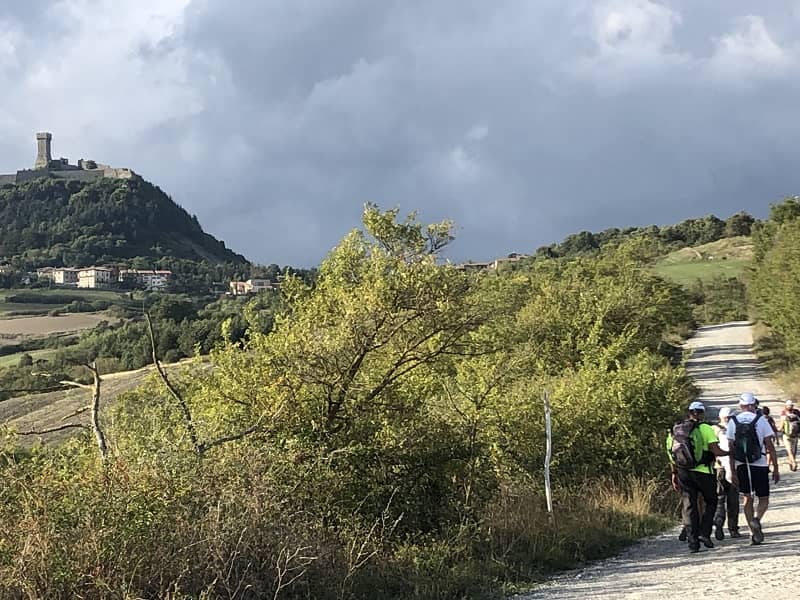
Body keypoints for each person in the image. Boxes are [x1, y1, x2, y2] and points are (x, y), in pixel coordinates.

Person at [667, 401, 727, 553]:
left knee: (689, 505)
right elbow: (716, 451)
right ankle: (704, 533)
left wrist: (674, 474)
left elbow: (671, 455)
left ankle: (692, 542)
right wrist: (731, 452)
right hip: (704, 472)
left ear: (689, 412)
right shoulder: (705, 428)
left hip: (683, 473)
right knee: (711, 501)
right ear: (701, 413)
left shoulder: (675, 430)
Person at [728, 392, 780, 545]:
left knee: (747, 498)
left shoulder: (733, 421)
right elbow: (769, 445)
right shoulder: (761, 419)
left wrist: (732, 470)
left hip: (741, 464)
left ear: (740, 405)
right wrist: (775, 468)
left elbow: (731, 448)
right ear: (754, 405)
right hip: (760, 463)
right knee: (763, 498)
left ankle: (752, 531)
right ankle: (757, 520)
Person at [713, 407, 740, 539]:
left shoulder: (713, 429)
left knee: (719, 499)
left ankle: (718, 523)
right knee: (733, 500)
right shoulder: (735, 429)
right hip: (733, 467)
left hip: (718, 468)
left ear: (720, 417)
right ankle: (733, 529)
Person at [782, 400, 800, 472]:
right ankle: (792, 464)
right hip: (795, 435)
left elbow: (781, 427)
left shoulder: (784, 414)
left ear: (786, 406)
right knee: (794, 451)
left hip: (786, 435)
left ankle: (793, 463)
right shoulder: (797, 413)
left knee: (789, 451)